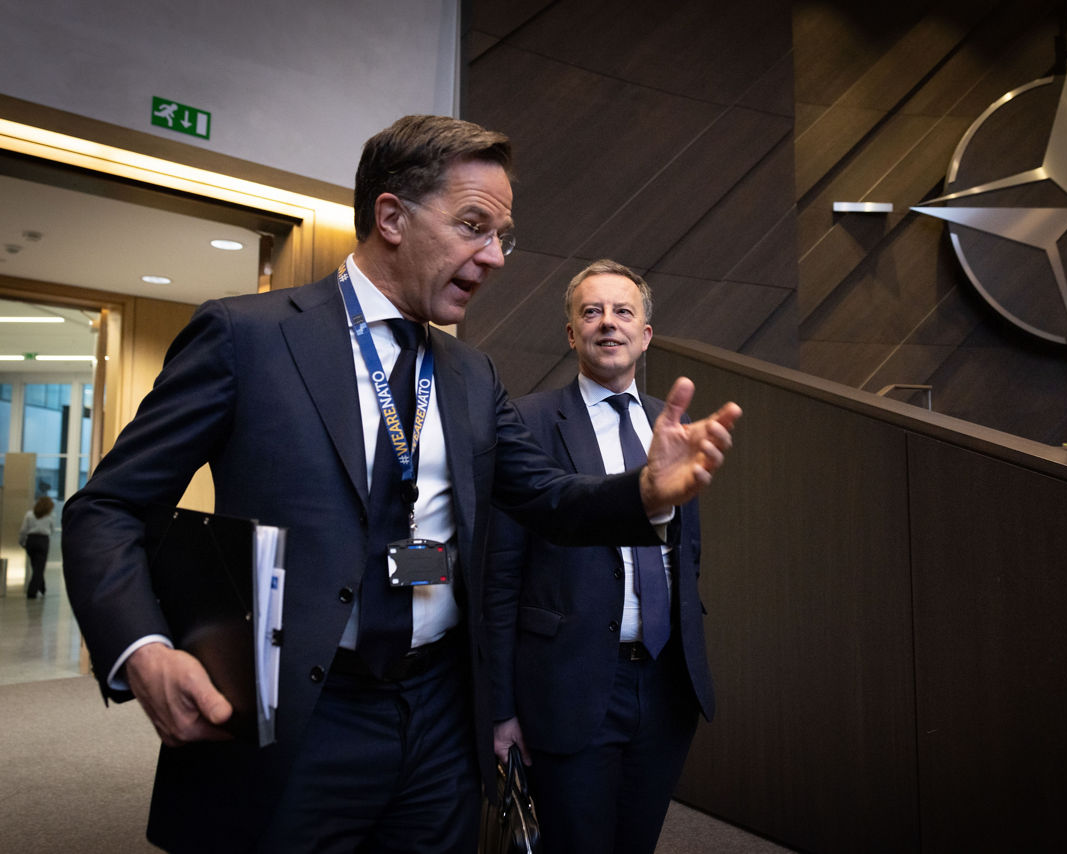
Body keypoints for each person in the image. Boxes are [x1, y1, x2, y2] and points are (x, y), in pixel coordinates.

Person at [60, 115, 741, 853]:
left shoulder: (471, 374)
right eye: (475, 227)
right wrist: (144, 649)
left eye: (501, 237)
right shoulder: (247, 337)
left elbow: (547, 497)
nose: (495, 257)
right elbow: (109, 507)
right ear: (391, 216)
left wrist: (644, 493)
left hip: (441, 714)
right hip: (302, 713)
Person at [486, 260, 714, 854]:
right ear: (570, 333)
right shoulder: (527, 422)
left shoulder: (674, 426)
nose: (607, 323)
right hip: (570, 685)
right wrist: (500, 708)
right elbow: (501, 575)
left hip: (666, 684)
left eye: (622, 312)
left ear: (645, 335)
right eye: (591, 312)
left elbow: (685, 555)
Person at [19, 495, 55, 599]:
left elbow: (23, 530)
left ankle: (42, 587)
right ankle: (32, 592)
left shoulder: (29, 514)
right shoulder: (50, 516)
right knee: (39, 567)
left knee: (36, 566)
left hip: (31, 540)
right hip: (43, 541)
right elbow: (52, 530)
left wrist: (21, 542)